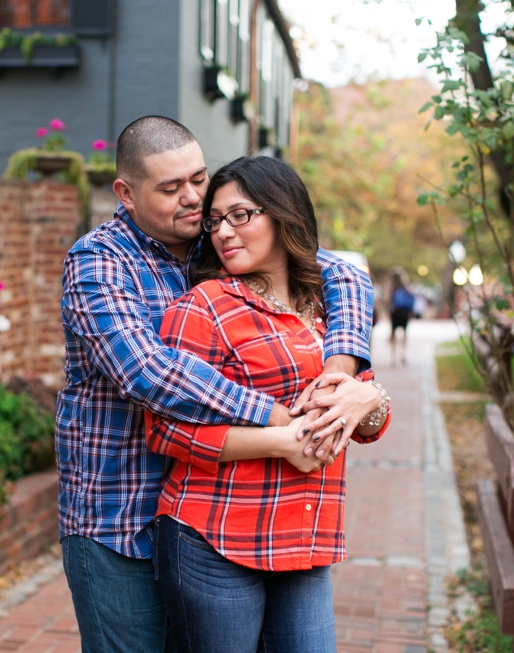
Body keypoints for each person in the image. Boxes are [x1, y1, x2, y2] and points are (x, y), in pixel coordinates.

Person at [55, 116, 376, 653]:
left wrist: (341, 375)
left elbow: (342, 274)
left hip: (212, 518)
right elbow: (147, 373)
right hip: (118, 518)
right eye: (170, 188)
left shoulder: (213, 245)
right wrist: (281, 420)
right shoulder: (99, 261)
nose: (192, 199)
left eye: (198, 179)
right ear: (126, 194)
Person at [146, 156, 392, 653]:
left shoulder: (329, 309)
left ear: (283, 214)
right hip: (214, 537)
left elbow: (367, 426)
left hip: (304, 539)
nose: (222, 232)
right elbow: (164, 432)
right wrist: (283, 443)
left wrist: (371, 397)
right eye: (214, 221)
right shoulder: (205, 306)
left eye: (240, 215)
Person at [389, 267, 415, 366]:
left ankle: (393, 357)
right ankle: (403, 355)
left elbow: (388, 299)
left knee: (393, 334)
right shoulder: (405, 286)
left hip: (395, 312)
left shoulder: (392, 287)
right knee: (404, 334)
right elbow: (411, 295)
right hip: (404, 312)